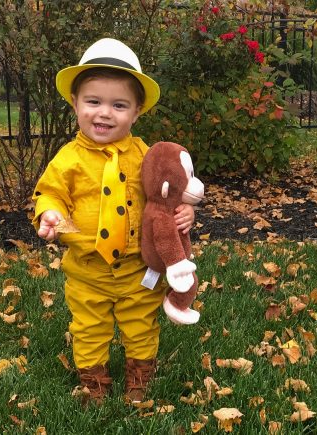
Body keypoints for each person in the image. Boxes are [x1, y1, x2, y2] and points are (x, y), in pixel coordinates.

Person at [31, 38, 195, 405]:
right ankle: (94, 380)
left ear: (136, 113)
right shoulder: (68, 159)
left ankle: (139, 374)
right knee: (89, 328)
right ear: (75, 104)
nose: (104, 113)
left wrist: (184, 212)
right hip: (87, 269)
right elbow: (50, 192)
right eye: (93, 102)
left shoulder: (146, 156)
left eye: (118, 105)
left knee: (141, 324)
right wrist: (50, 213)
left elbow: (163, 195)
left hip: (139, 269)